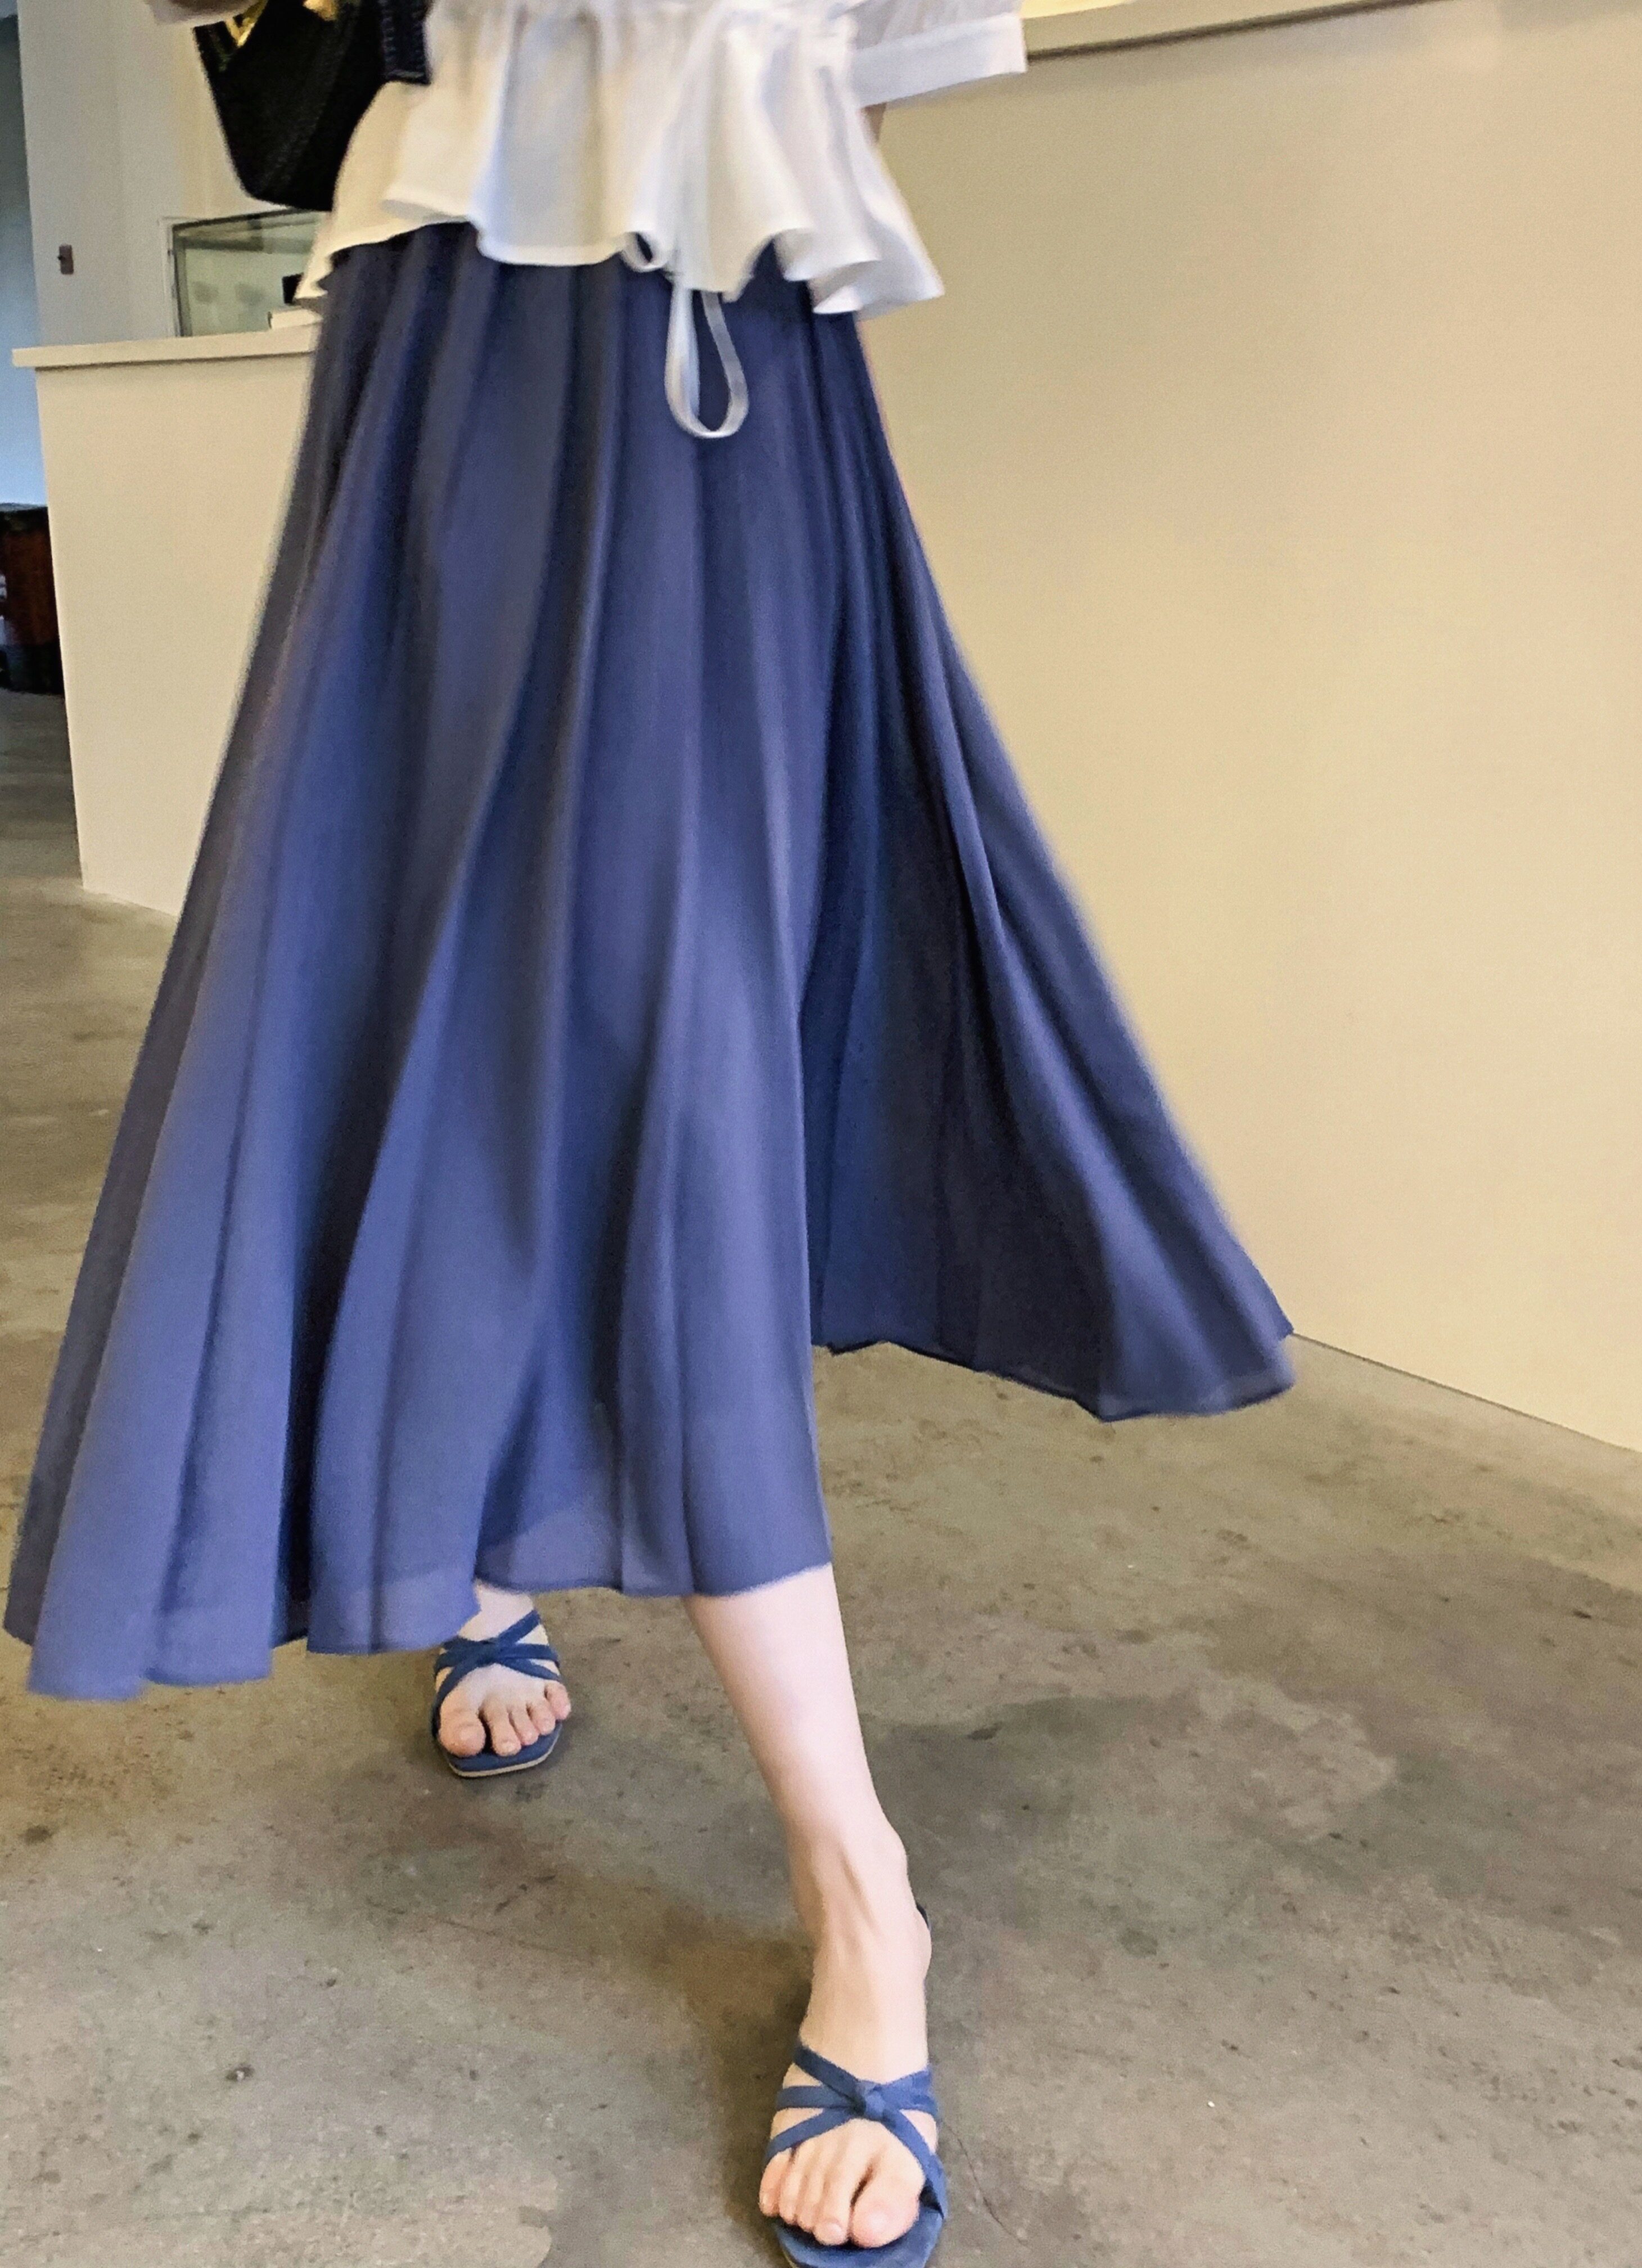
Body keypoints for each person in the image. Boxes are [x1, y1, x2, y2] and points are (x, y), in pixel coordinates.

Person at [4, 1, 1294, 2258]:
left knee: (663, 1043)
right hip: (450, 315)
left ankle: (862, 1893)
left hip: (712, 323)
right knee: (413, 965)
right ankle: (494, 1535)